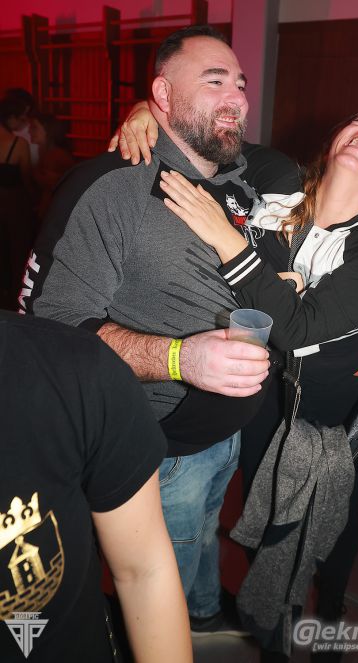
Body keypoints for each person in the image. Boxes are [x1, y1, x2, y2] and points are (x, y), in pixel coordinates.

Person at [112, 107, 358, 659]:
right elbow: (207, 135)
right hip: (265, 403)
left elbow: (298, 330)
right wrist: (148, 113)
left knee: (333, 519)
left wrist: (225, 239)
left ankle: (331, 610)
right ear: (334, 140)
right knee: (265, 521)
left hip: (335, 413)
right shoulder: (278, 181)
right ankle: (275, 635)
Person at [19, 25, 271, 634]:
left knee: (205, 535)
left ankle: (206, 611)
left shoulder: (241, 176)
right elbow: (50, 326)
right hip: (162, 448)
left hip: (226, 434)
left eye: (240, 83)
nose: (237, 96)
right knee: (160, 594)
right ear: (162, 93)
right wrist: (182, 359)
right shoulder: (111, 186)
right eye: (215, 81)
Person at [0, 310, 192, 663]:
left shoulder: (72, 372)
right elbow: (64, 310)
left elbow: (144, 570)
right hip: (174, 449)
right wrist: (181, 358)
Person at [0, 95, 34, 310]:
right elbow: (28, 180)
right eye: (22, 118)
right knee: (17, 254)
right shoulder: (18, 144)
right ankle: (14, 301)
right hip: (13, 206)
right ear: (11, 118)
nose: (25, 122)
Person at [29, 112, 74, 220]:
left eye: (34, 127)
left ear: (48, 130)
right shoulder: (43, 152)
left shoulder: (56, 155)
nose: (29, 131)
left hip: (54, 214)